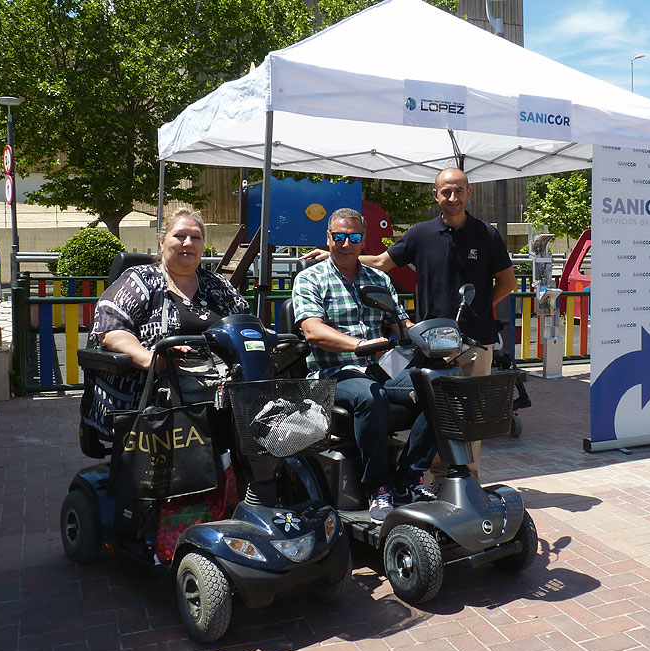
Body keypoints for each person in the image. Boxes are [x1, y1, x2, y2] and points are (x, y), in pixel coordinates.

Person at [303, 168, 517, 478]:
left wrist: (480, 309)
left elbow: (507, 283)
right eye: (446, 191)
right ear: (436, 195)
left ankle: (466, 481)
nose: (453, 197)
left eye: (459, 191)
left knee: (466, 418)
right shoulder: (421, 233)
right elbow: (380, 262)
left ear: (469, 193)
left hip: (472, 342)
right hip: (430, 344)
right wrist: (337, 254)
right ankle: (428, 480)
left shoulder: (487, 234)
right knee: (436, 405)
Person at [292, 208, 438, 523]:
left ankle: (409, 479)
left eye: (354, 237)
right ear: (328, 238)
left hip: (381, 369)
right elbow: (312, 330)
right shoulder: (310, 278)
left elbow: (401, 325)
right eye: (340, 237)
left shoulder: (379, 280)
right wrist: (358, 345)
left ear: (363, 241)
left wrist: (433, 337)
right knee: (370, 395)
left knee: (438, 384)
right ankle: (379, 488)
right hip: (332, 374)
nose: (346, 244)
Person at [81, 208, 250, 441]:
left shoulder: (218, 285)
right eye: (179, 236)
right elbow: (111, 329)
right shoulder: (140, 280)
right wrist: (152, 359)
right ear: (162, 242)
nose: (188, 243)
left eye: (196, 238)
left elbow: (246, 325)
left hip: (223, 387)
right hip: (157, 396)